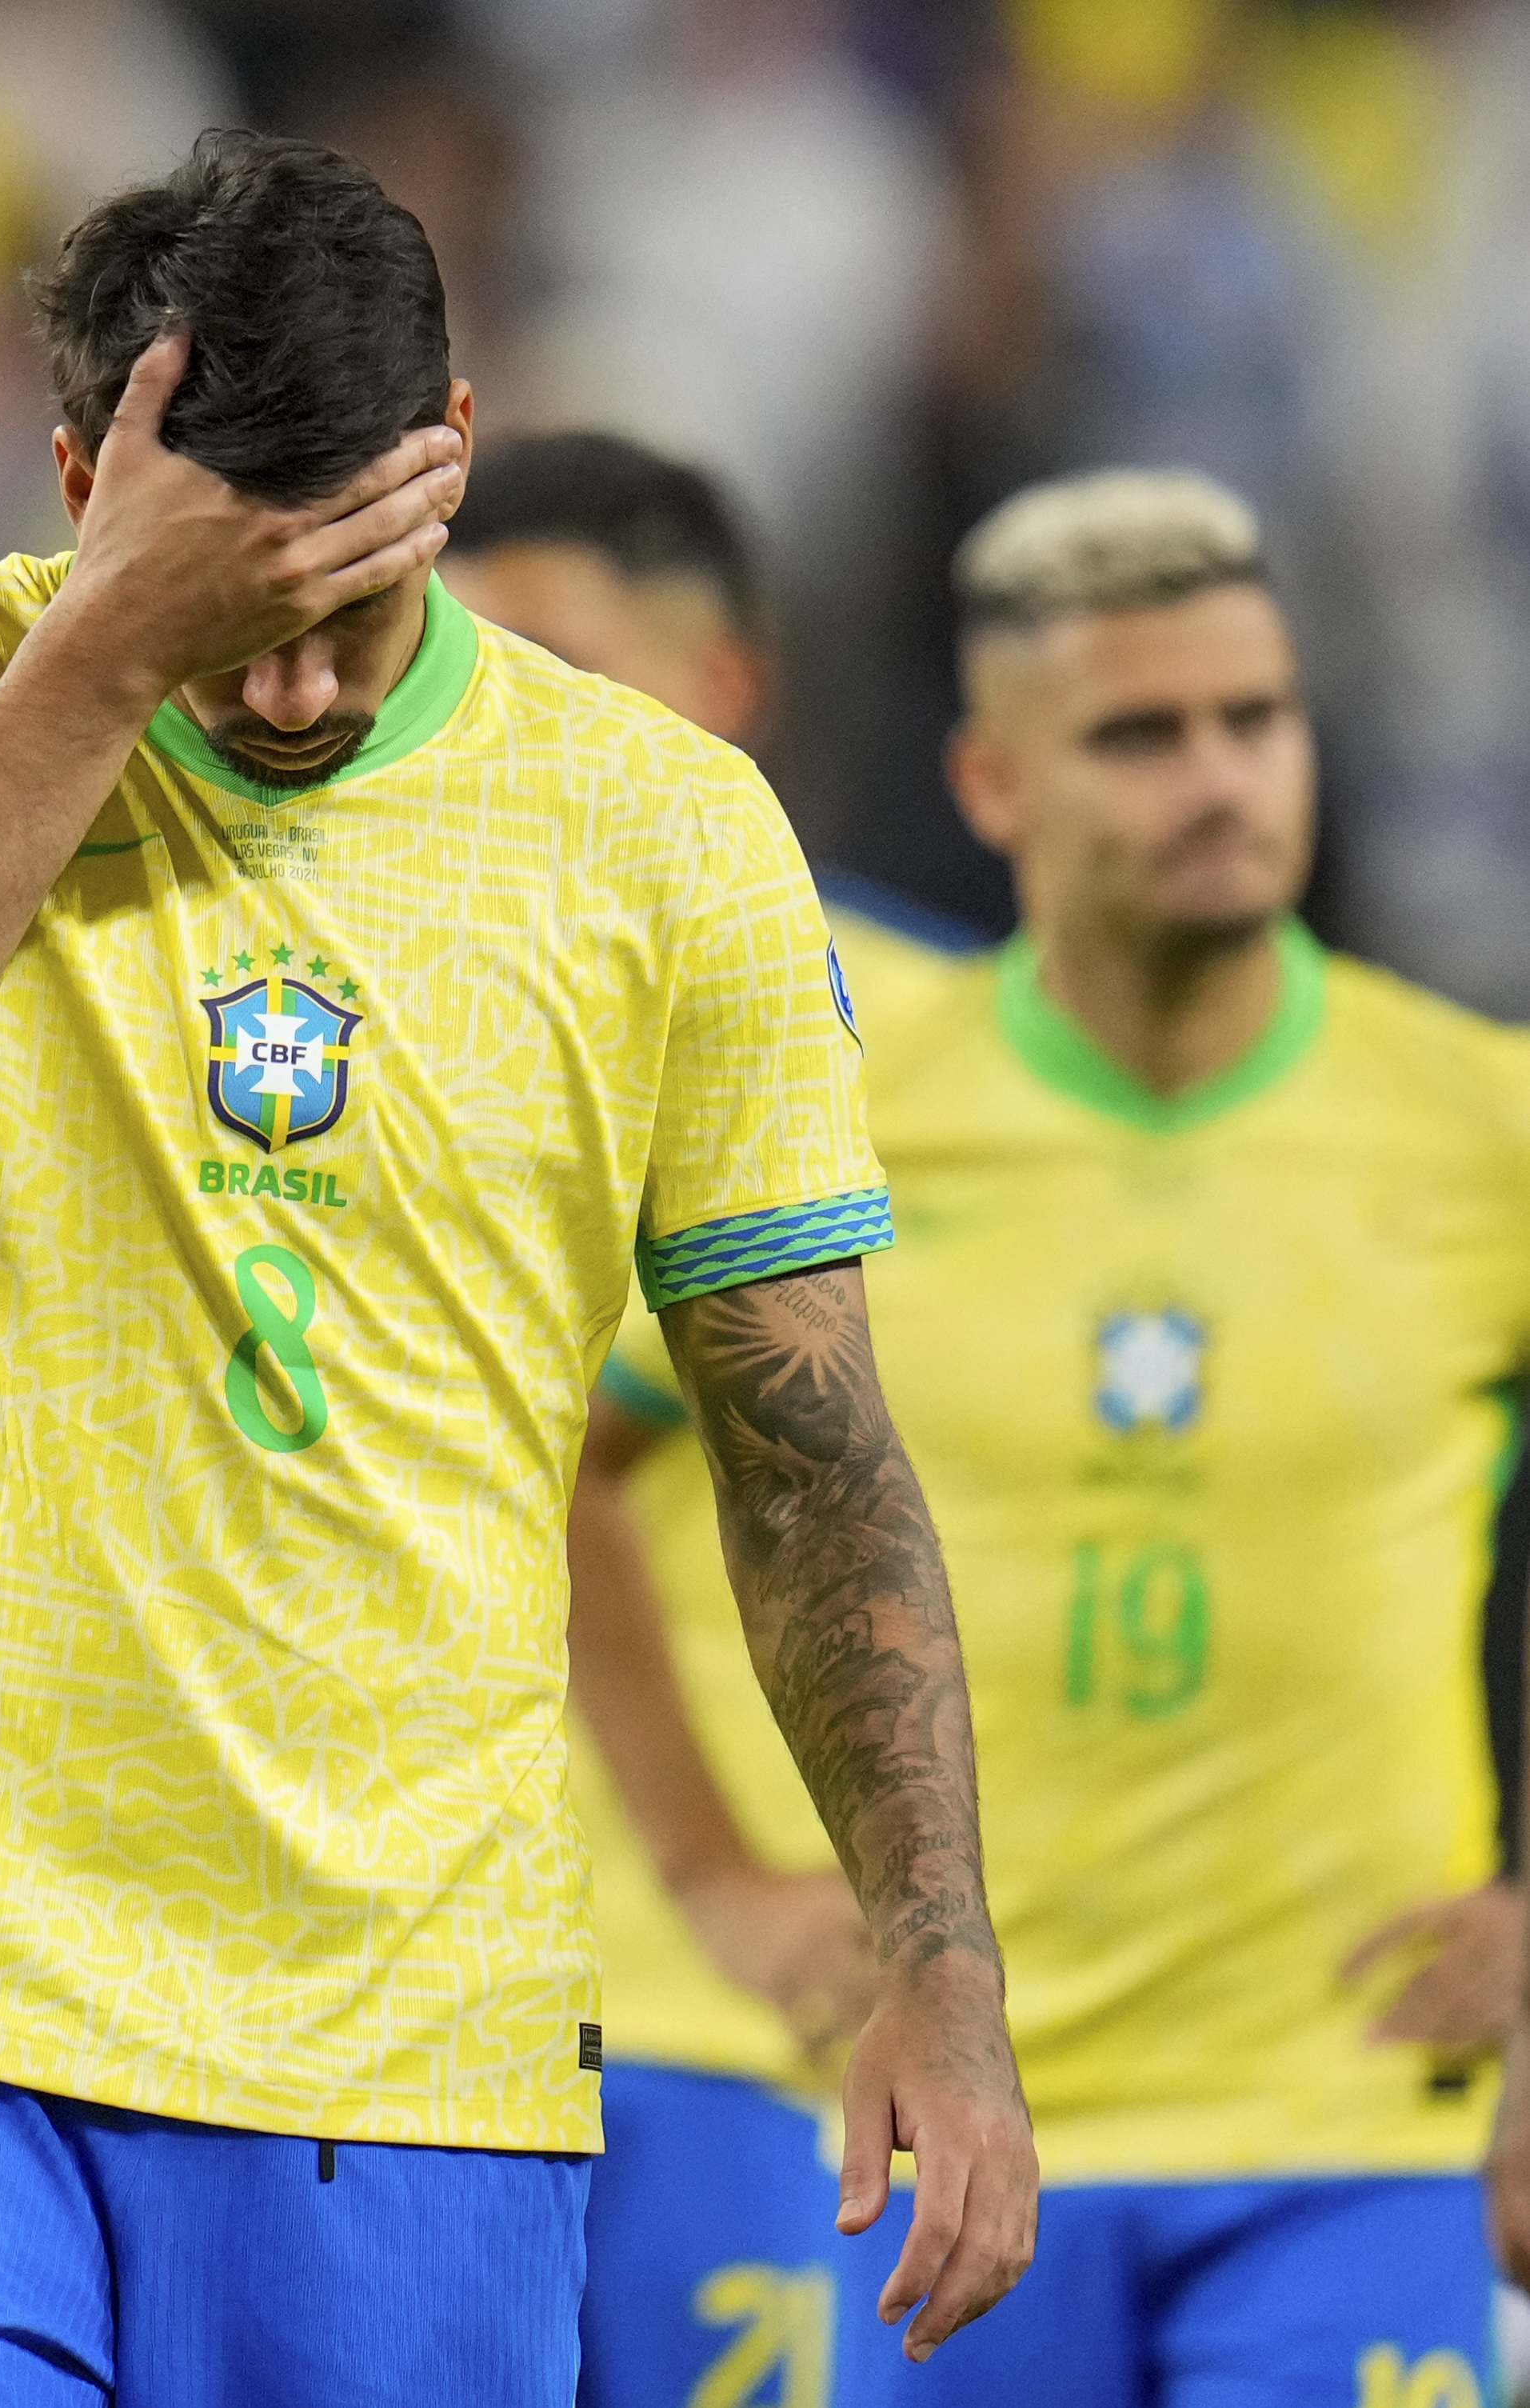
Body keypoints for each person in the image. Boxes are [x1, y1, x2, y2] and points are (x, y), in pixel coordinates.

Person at [0, 130, 1036, 2405]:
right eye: (231, 609)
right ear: (78, 478)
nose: (290, 689)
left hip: (406, 2044)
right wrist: (104, 655)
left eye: (353, 602)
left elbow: (806, 1451)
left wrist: (941, 1967)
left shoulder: (664, 834)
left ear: (453, 457)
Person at [605, 466, 1528, 2405]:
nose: (1215, 777)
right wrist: (713, 1882)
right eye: (1135, 733)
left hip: (1344, 2121)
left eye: (1251, 719)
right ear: (991, 786)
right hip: (943, 2137)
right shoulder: (841, 1103)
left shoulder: (1476, 1123)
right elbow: (570, 1473)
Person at [442, 430, 969, 2407]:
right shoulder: (356, 1022)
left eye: (554, 662)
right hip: (402, 1992)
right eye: (456, 667)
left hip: (720, 2018)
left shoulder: (919, 1043)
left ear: (721, 688)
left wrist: (729, 1882)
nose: (494, 728)